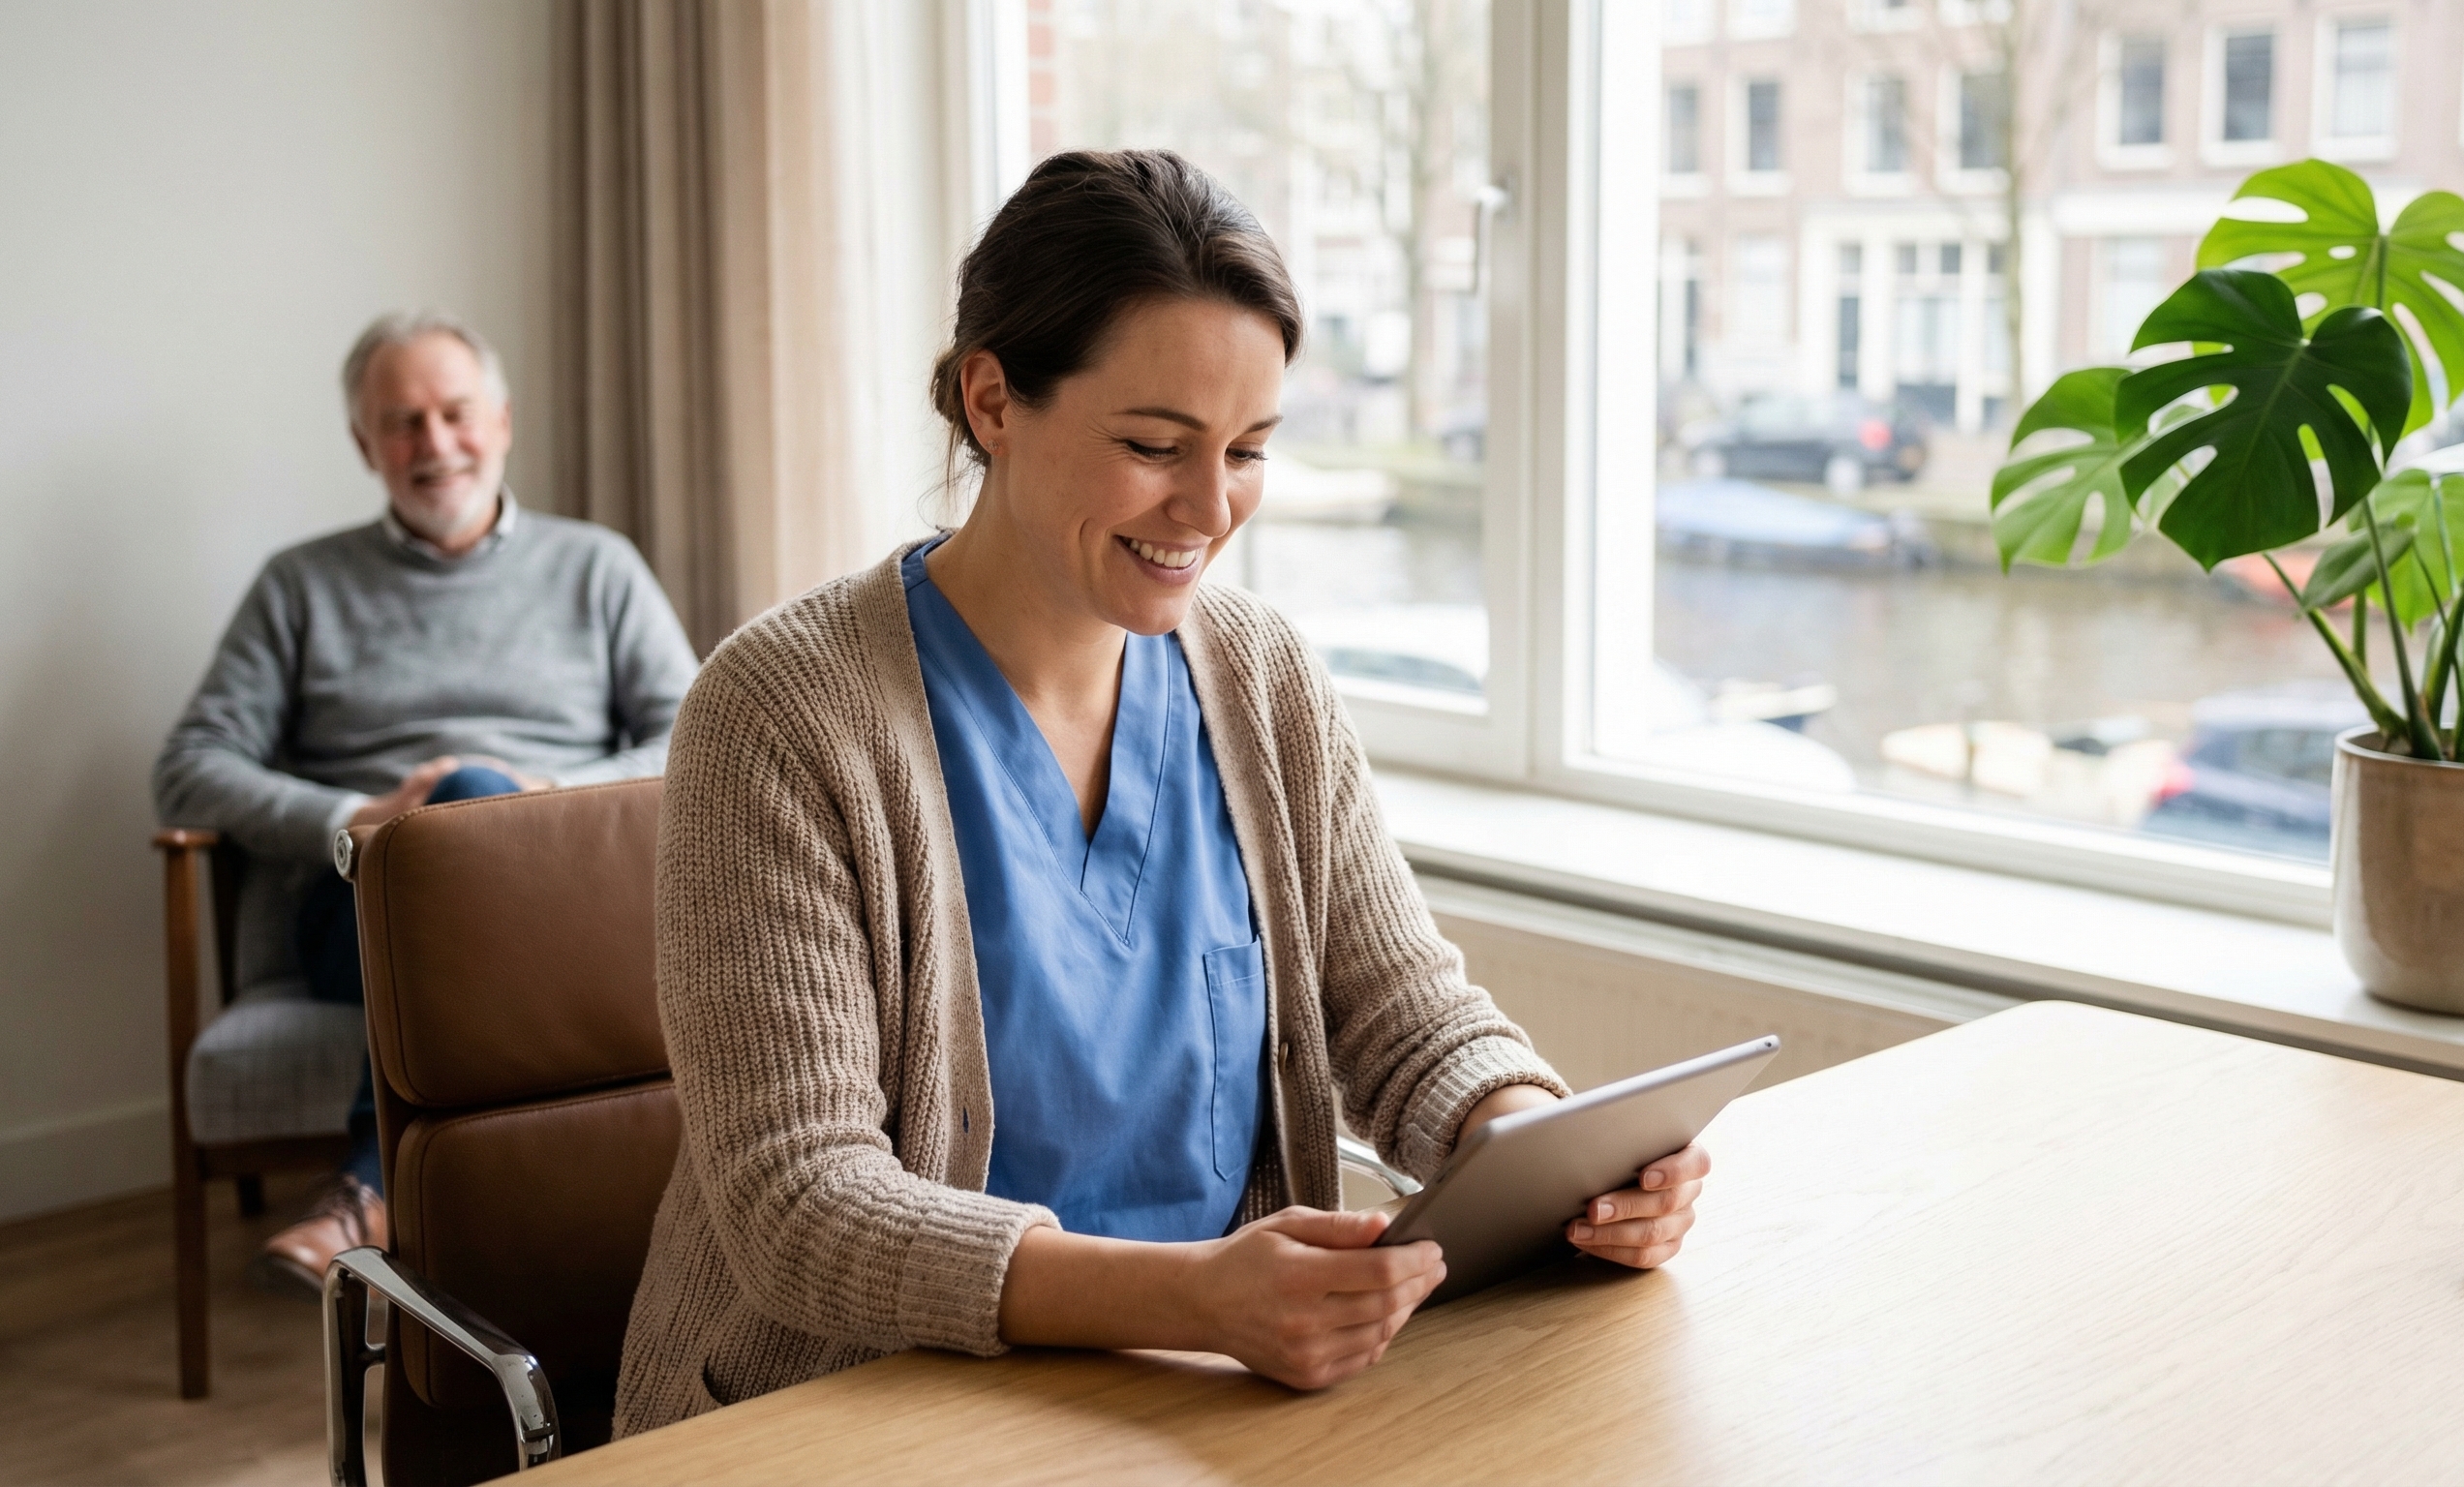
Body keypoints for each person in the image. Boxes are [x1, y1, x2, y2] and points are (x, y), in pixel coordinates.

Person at [613, 150, 1709, 1432]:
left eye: (1248, 450)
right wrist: (1191, 1300)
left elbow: (1402, 1018)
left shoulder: (1263, 679)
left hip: (1203, 1397)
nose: (1209, 507)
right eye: (1153, 445)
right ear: (992, 401)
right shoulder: (783, 716)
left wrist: (1546, 1152)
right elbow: (802, 1208)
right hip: (849, 1409)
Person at [153, 311, 698, 1291]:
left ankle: (370, 1194)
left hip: (561, 891)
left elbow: (693, 737)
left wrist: (541, 795)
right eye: (402, 423)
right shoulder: (301, 587)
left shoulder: (596, 568)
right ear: (366, 445)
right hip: (359, 910)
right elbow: (192, 764)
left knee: (473, 798)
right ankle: (541, 1240)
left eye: (454, 414)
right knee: (451, 811)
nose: (434, 445)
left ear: (501, 420)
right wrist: (352, 817)